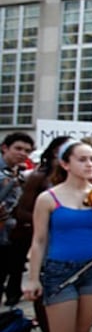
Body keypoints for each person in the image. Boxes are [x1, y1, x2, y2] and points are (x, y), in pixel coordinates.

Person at [23, 140, 92, 332]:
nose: (89, 164)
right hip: (59, 271)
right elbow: (38, 241)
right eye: (82, 159)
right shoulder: (48, 198)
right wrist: (33, 278)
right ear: (65, 163)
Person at [15, 136, 71, 332]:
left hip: (68, 244)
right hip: (45, 240)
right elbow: (21, 211)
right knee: (44, 289)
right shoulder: (39, 177)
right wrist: (46, 220)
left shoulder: (74, 181)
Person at [0, 132, 35, 307]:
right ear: (5, 148)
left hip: (13, 233)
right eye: (18, 148)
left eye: (27, 151)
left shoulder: (19, 173)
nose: (23, 153)